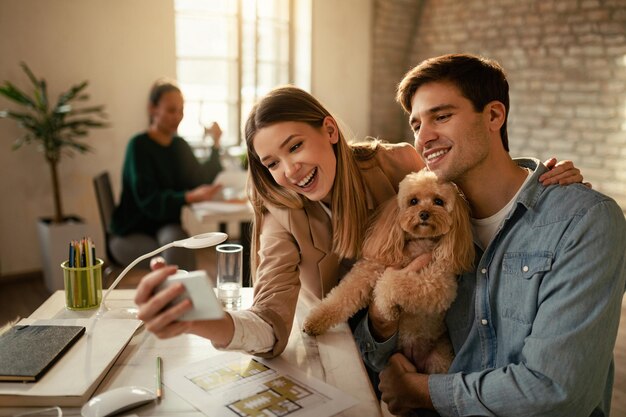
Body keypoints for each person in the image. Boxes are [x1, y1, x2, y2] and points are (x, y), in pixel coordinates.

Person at [132, 85, 583, 364]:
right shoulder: (280, 216)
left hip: (433, 332)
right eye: (271, 163)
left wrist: (537, 176)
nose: (289, 170)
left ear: (329, 130)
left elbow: (472, 188)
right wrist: (204, 322)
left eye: (295, 147)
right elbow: (269, 322)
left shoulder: (395, 163)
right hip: (341, 348)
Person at [357, 54, 626, 416]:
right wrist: (382, 317)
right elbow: (380, 356)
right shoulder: (433, 221)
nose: (424, 137)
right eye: (416, 124)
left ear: (494, 116)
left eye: (442, 116)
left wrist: (425, 392)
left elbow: (557, 392)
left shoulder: (585, 221)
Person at [109, 78, 224, 271]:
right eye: (171, 110)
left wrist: (216, 144)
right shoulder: (138, 145)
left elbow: (199, 178)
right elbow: (149, 201)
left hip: (165, 226)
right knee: (173, 254)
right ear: (152, 109)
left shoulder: (179, 145)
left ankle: (183, 297)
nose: (178, 116)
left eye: (181, 110)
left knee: (177, 245)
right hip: (131, 231)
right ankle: (179, 297)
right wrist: (188, 197)